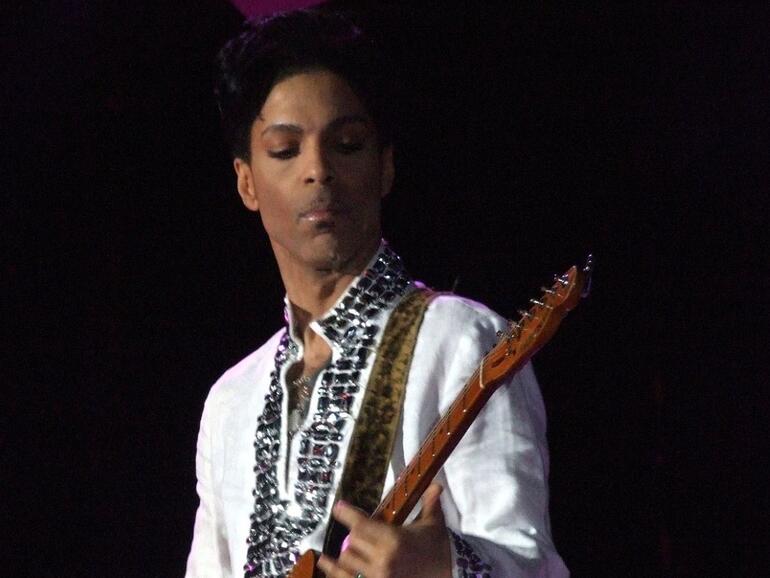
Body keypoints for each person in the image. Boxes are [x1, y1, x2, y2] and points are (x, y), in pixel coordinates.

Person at [186, 8, 568, 578]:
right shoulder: (231, 402)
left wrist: (443, 568)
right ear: (247, 182)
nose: (318, 170)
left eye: (347, 144)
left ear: (385, 167)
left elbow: (532, 565)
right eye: (286, 150)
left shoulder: (462, 340)